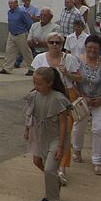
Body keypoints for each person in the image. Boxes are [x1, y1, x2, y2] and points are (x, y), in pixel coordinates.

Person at [30, 32, 81, 185]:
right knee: (45, 133)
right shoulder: (39, 59)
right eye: (51, 42)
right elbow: (35, 80)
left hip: (65, 97)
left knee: (64, 133)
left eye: (57, 42)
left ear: (62, 44)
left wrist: (67, 73)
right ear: (47, 43)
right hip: (44, 99)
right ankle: (50, 167)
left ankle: (62, 168)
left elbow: (79, 77)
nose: (54, 45)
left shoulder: (70, 59)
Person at [23, 67, 71, 201]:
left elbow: (63, 124)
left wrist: (60, 146)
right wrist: (27, 130)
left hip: (56, 138)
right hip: (40, 135)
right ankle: (53, 184)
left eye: (39, 83)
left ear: (50, 83)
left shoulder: (58, 99)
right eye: (34, 83)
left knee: (50, 168)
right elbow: (29, 114)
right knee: (38, 162)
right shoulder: (34, 96)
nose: (36, 86)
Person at [71, 35, 101, 176]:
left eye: (95, 47)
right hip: (82, 100)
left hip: (100, 100)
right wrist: (81, 96)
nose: (92, 50)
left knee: (98, 129)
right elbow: (72, 82)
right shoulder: (78, 62)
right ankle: (77, 150)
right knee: (79, 127)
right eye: (90, 47)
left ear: (99, 48)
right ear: (85, 47)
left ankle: (97, 161)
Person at [0, 0, 33, 75]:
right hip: (11, 34)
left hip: (21, 34)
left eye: (11, 3)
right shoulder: (9, 12)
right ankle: (7, 68)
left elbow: (29, 23)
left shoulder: (22, 12)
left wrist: (30, 34)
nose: (10, 5)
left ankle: (32, 68)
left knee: (26, 52)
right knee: (9, 52)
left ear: (16, 4)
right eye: (9, 3)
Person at [26, 8, 61, 74]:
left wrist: (37, 42)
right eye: (41, 15)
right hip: (35, 53)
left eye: (45, 15)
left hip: (49, 54)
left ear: (51, 17)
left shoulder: (56, 28)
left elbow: (52, 43)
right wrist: (43, 43)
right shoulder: (34, 26)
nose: (43, 17)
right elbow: (29, 42)